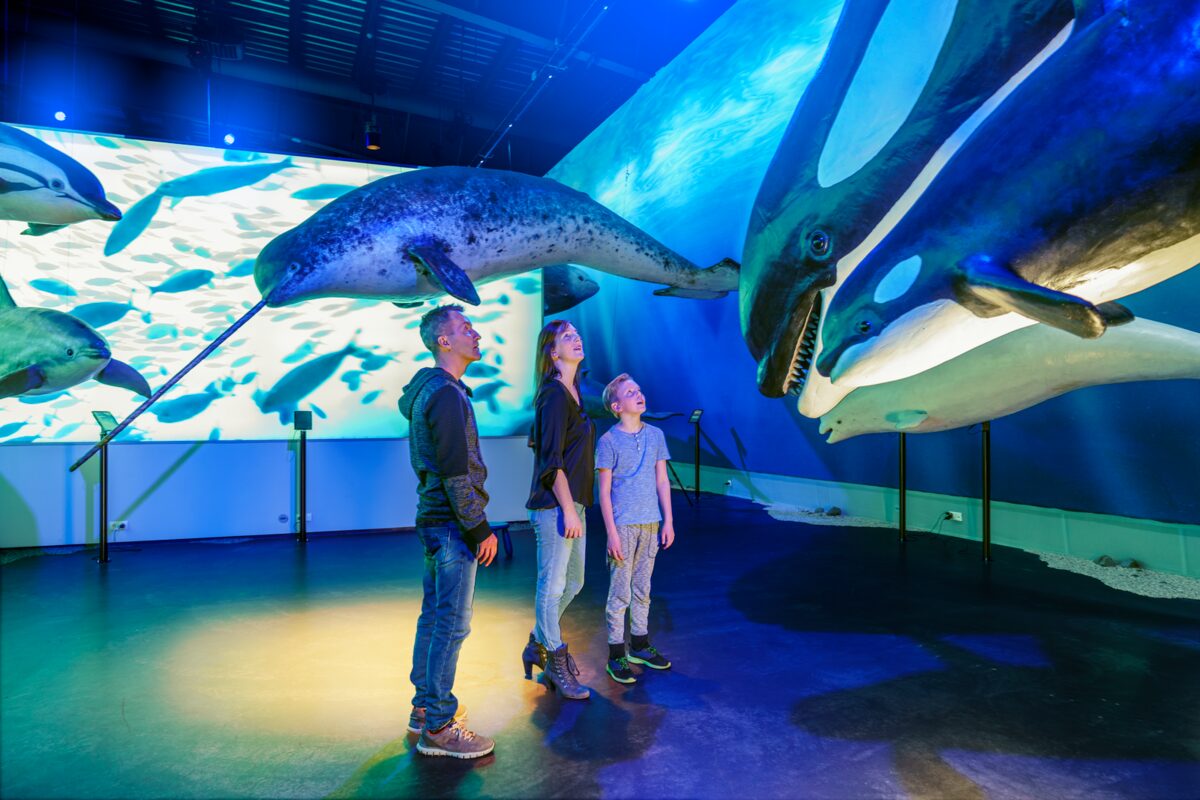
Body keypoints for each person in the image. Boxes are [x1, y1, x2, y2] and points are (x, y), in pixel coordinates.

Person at [398, 304, 499, 759]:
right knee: (452, 625)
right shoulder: (446, 395)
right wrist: (480, 529)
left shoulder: (434, 391)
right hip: (452, 525)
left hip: (434, 520)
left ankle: (424, 710)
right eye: (465, 328)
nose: (475, 334)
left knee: (435, 618)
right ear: (444, 341)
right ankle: (439, 726)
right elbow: (457, 474)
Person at [522, 319, 595, 700]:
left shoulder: (574, 392)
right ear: (553, 353)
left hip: (574, 504)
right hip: (555, 506)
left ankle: (537, 642)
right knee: (551, 587)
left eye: (576, 334)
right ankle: (555, 658)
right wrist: (567, 509)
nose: (576, 338)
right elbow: (551, 461)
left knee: (574, 582)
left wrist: (575, 507)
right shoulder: (552, 395)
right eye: (567, 336)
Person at [596, 373, 675, 684]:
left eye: (639, 390)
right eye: (630, 393)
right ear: (617, 406)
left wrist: (668, 520)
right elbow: (604, 492)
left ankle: (639, 645)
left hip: (650, 523)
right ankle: (616, 654)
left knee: (643, 588)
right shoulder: (608, 441)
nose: (639, 395)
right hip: (624, 526)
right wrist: (612, 533)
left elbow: (662, 481)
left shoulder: (656, 435)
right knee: (620, 592)